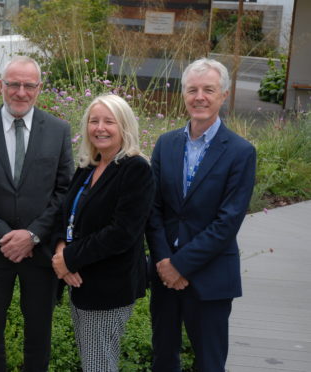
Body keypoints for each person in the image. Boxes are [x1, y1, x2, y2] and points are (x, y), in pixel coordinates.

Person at [0, 55, 74, 372]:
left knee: (39, 335)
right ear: (0, 86)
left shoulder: (59, 130)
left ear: (39, 88)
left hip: (40, 251)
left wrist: (33, 235)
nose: (21, 92)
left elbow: (65, 190)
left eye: (28, 85)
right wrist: (2, 235)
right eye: (14, 84)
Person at [146, 58, 256, 371]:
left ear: (223, 95)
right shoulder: (166, 144)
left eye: (209, 89)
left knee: (209, 363)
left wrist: (180, 265)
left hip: (211, 277)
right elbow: (153, 211)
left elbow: (228, 221)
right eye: (192, 89)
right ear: (183, 95)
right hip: (164, 273)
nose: (200, 97)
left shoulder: (240, 151)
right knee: (163, 359)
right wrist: (165, 263)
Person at [51, 94, 155, 372]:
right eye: (94, 121)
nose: (100, 127)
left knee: (98, 365)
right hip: (81, 282)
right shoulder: (89, 166)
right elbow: (66, 214)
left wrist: (70, 259)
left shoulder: (135, 169)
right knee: (93, 362)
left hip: (109, 286)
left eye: (109, 121)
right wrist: (62, 252)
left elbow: (122, 233)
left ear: (124, 127)